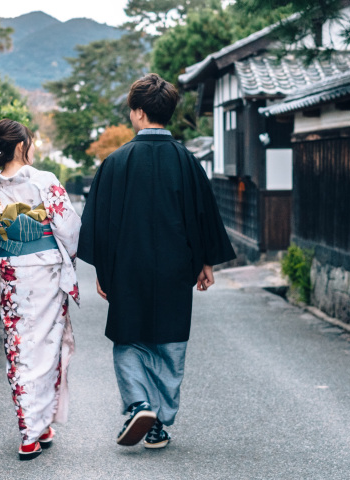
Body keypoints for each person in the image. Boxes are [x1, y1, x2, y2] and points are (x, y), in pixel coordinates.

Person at [77, 74, 236, 449]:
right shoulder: (186, 161)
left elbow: (97, 223)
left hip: (127, 267)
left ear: (138, 113)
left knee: (129, 338)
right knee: (169, 341)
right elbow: (203, 215)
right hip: (175, 266)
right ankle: (158, 422)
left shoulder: (115, 163)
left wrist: (103, 269)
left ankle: (139, 404)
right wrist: (206, 262)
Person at [0, 119, 81, 460]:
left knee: (20, 346)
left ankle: (36, 425)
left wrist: (8, 249)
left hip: (11, 275)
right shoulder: (44, 181)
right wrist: (63, 254)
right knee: (47, 344)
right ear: (21, 145)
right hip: (44, 272)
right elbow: (69, 229)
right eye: (30, 142)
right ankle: (32, 431)